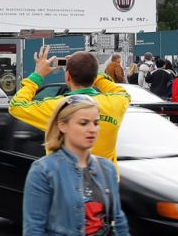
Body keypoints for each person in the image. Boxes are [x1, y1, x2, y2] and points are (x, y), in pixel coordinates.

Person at [9, 47, 131, 171]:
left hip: (64, 184)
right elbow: (122, 93)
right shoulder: (115, 103)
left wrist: (37, 76)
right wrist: (95, 74)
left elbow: (16, 106)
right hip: (104, 186)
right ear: (94, 77)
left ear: (67, 76)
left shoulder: (58, 106)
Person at [23, 94, 129, 235]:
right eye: (83, 123)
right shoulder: (44, 170)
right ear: (62, 126)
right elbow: (33, 230)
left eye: (96, 123)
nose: (92, 129)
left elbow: (118, 221)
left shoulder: (107, 168)